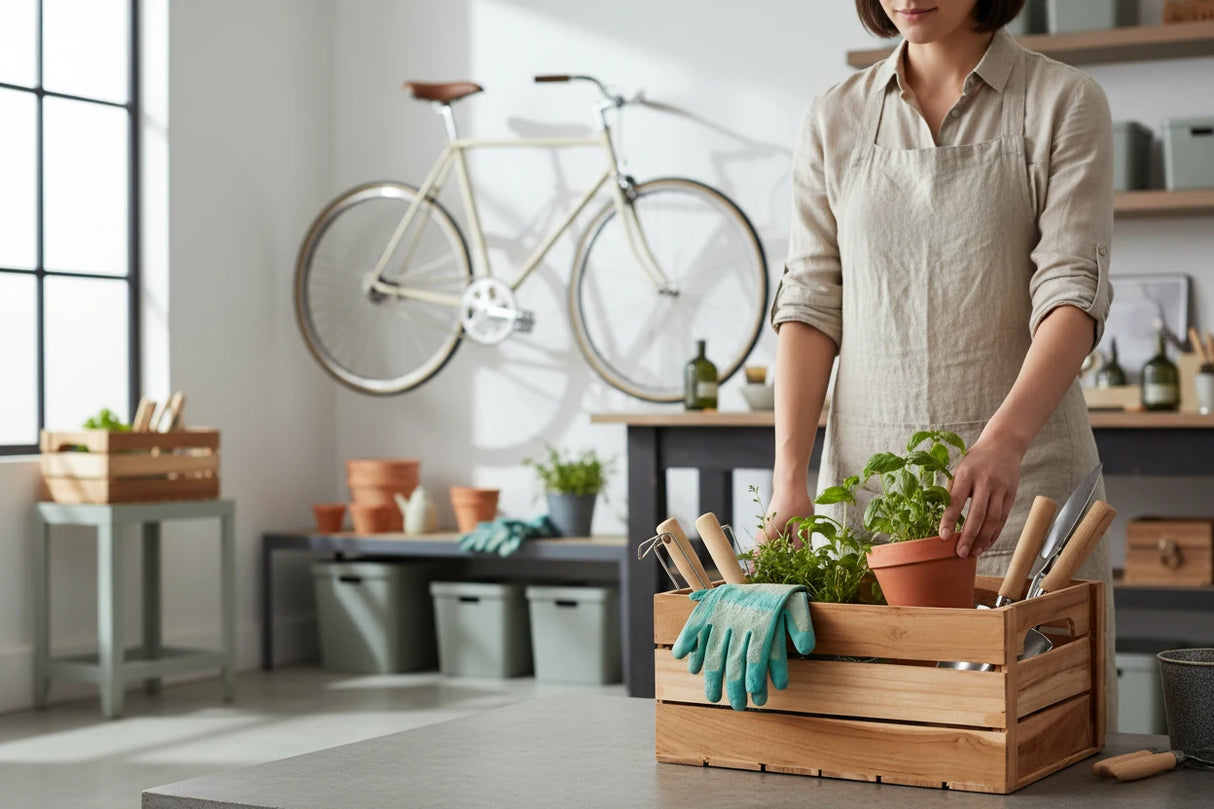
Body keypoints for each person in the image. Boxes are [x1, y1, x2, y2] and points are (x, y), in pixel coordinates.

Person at [766, 0, 1116, 721]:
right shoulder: (833, 117)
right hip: (871, 506)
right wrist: (788, 478)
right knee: (887, 747)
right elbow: (808, 303)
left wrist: (1004, 439)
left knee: (1046, 745)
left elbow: (1072, 293)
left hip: (1024, 503)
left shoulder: (1061, 102)